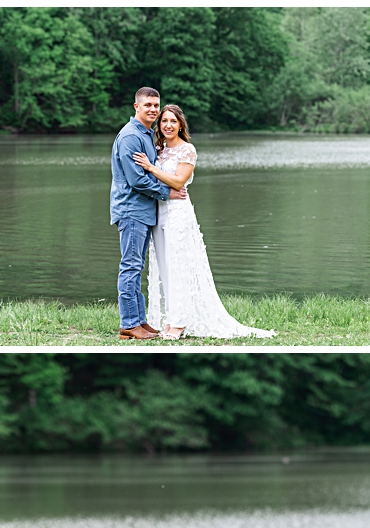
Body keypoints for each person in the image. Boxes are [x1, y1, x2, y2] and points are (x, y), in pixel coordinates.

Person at [132, 104, 275, 340]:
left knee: (179, 266)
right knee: (164, 267)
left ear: (180, 125)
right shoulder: (158, 149)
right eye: (164, 121)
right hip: (158, 213)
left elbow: (178, 182)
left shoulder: (187, 150)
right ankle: (170, 319)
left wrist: (149, 167)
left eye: (173, 121)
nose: (168, 125)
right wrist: (152, 169)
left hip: (178, 213)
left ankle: (179, 323)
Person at [110, 88, 182, 343]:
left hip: (142, 211)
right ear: (136, 106)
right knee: (130, 266)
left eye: (156, 105)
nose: (153, 109)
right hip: (131, 210)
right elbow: (137, 180)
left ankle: (139, 321)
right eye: (148, 105)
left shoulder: (146, 134)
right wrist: (167, 193)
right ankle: (129, 324)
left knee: (136, 266)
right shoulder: (131, 136)